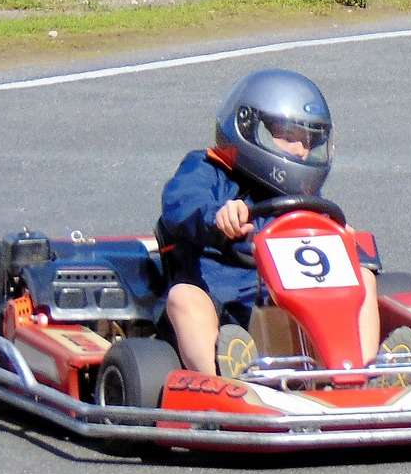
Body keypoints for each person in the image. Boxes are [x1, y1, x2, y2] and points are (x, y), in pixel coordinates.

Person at [160, 69, 383, 378]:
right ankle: (224, 380)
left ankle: (361, 373)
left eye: (308, 140)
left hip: (289, 296)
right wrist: (218, 217)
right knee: (183, 297)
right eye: (289, 137)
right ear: (249, 127)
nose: (301, 150)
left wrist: (338, 239)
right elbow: (180, 205)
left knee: (363, 275)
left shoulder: (303, 194)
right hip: (222, 298)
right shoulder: (206, 169)